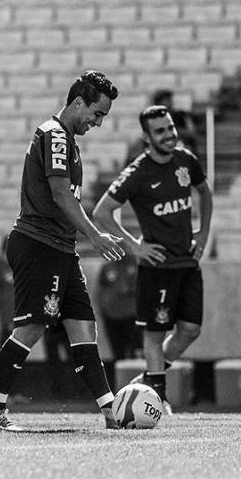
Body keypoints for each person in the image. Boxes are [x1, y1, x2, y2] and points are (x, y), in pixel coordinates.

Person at [0, 71, 126, 431]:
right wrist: (95, 235)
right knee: (31, 328)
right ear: (78, 102)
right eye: (97, 114)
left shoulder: (67, 140)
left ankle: (112, 413)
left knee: (83, 328)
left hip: (60, 248)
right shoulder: (55, 135)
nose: (98, 122)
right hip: (39, 244)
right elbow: (60, 194)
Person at [92, 105, 212, 413]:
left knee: (191, 330)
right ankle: (159, 396)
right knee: (155, 334)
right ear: (147, 137)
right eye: (161, 131)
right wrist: (134, 247)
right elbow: (101, 212)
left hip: (187, 260)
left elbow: (205, 192)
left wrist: (203, 232)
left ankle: (148, 376)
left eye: (170, 128)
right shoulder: (137, 172)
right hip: (156, 267)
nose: (169, 135)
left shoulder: (186, 160)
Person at [94, 253, 141, 362]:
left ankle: (135, 375)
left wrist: (129, 288)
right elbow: (100, 290)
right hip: (111, 315)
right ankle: (119, 376)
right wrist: (102, 308)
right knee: (117, 351)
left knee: (135, 350)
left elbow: (143, 289)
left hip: (131, 315)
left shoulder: (137, 265)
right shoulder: (108, 266)